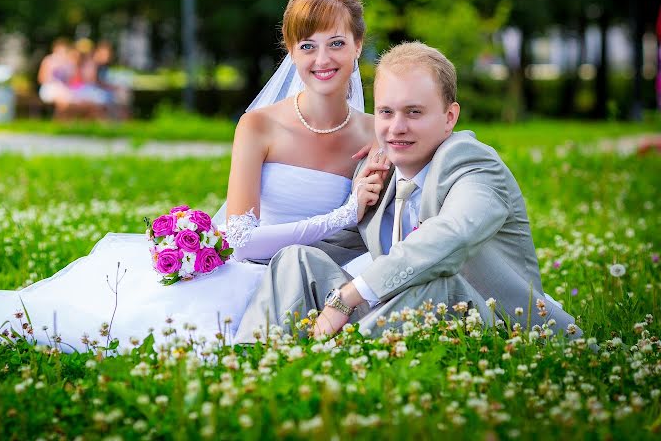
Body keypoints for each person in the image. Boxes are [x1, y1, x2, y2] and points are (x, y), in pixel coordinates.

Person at [0, 0, 378, 356]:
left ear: (358, 45)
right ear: (291, 53)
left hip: (317, 281)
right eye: (308, 46)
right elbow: (238, 240)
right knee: (139, 333)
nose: (323, 60)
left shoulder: (377, 132)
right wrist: (342, 214)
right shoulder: (259, 126)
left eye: (337, 43)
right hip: (247, 271)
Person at [235, 41, 582, 343]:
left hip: (497, 329)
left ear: (449, 117)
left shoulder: (473, 165)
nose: (397, 128)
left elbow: (451, 235)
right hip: (398, 319)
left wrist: (349, 295)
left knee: (434, 285)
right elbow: (336, 247)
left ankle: (340, 360)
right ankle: (256, 357)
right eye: (386, 112)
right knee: (297, 258)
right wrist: (227, 258)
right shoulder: (380, 173)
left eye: (414, 113)